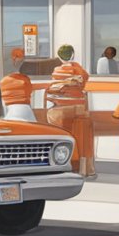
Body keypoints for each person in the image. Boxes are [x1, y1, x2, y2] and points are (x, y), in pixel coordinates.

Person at [45, 44, 94, 177]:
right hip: (79, 109)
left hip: (60, 111)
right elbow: (85, 80)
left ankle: (62, 163)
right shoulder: (78, 69)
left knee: (55, 127)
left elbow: (53, 88)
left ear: (59, 57)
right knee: (83, 134)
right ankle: (85, 168)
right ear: (73, 55)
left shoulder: (56, 71)